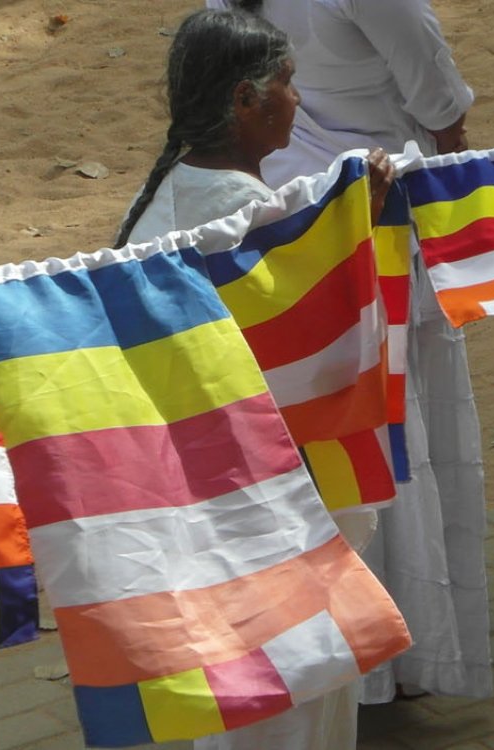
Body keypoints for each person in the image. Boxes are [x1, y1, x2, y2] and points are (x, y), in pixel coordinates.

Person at [118, 9, 391, 748]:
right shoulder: (248, 220)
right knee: (296, 677)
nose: (297, 101)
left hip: (185, 480)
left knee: (228, 675)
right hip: (265, 487)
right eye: (288, 83)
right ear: (245, 100)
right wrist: (361, 224)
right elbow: (329, 353)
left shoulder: (160, 200)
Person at [208, 0, 493, 704]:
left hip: (287, 239)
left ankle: (353, 655)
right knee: (399, 438)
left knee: (331, 445)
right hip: (376, 223)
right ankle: (405, 648)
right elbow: (441, 107)